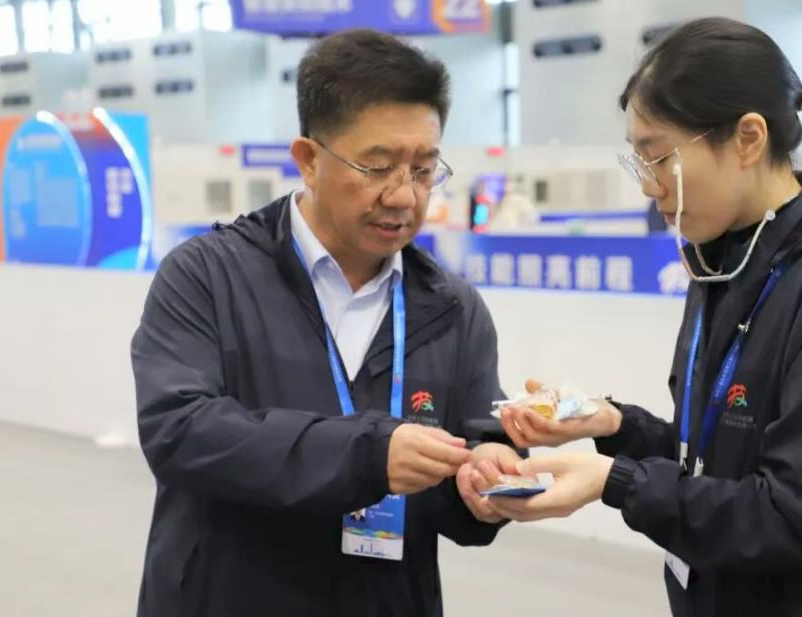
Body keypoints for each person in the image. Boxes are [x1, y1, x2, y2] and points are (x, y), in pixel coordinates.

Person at [488, 17, 802, 617]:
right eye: (638, 161)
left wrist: (615, 481)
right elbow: (715, 459)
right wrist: (615, 424)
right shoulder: (725, 260)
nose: (649, 186)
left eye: (659, 157)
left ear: (748, 138)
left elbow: (800, 515)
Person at [131, 29, 520, 617]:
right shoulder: (208, 276)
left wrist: (486, 483)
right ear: (308, 160)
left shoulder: (452, 310)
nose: (404, 197)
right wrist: (367, 456)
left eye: (423, 170)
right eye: (378, 166)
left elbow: (473, 451)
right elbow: (180, 432)